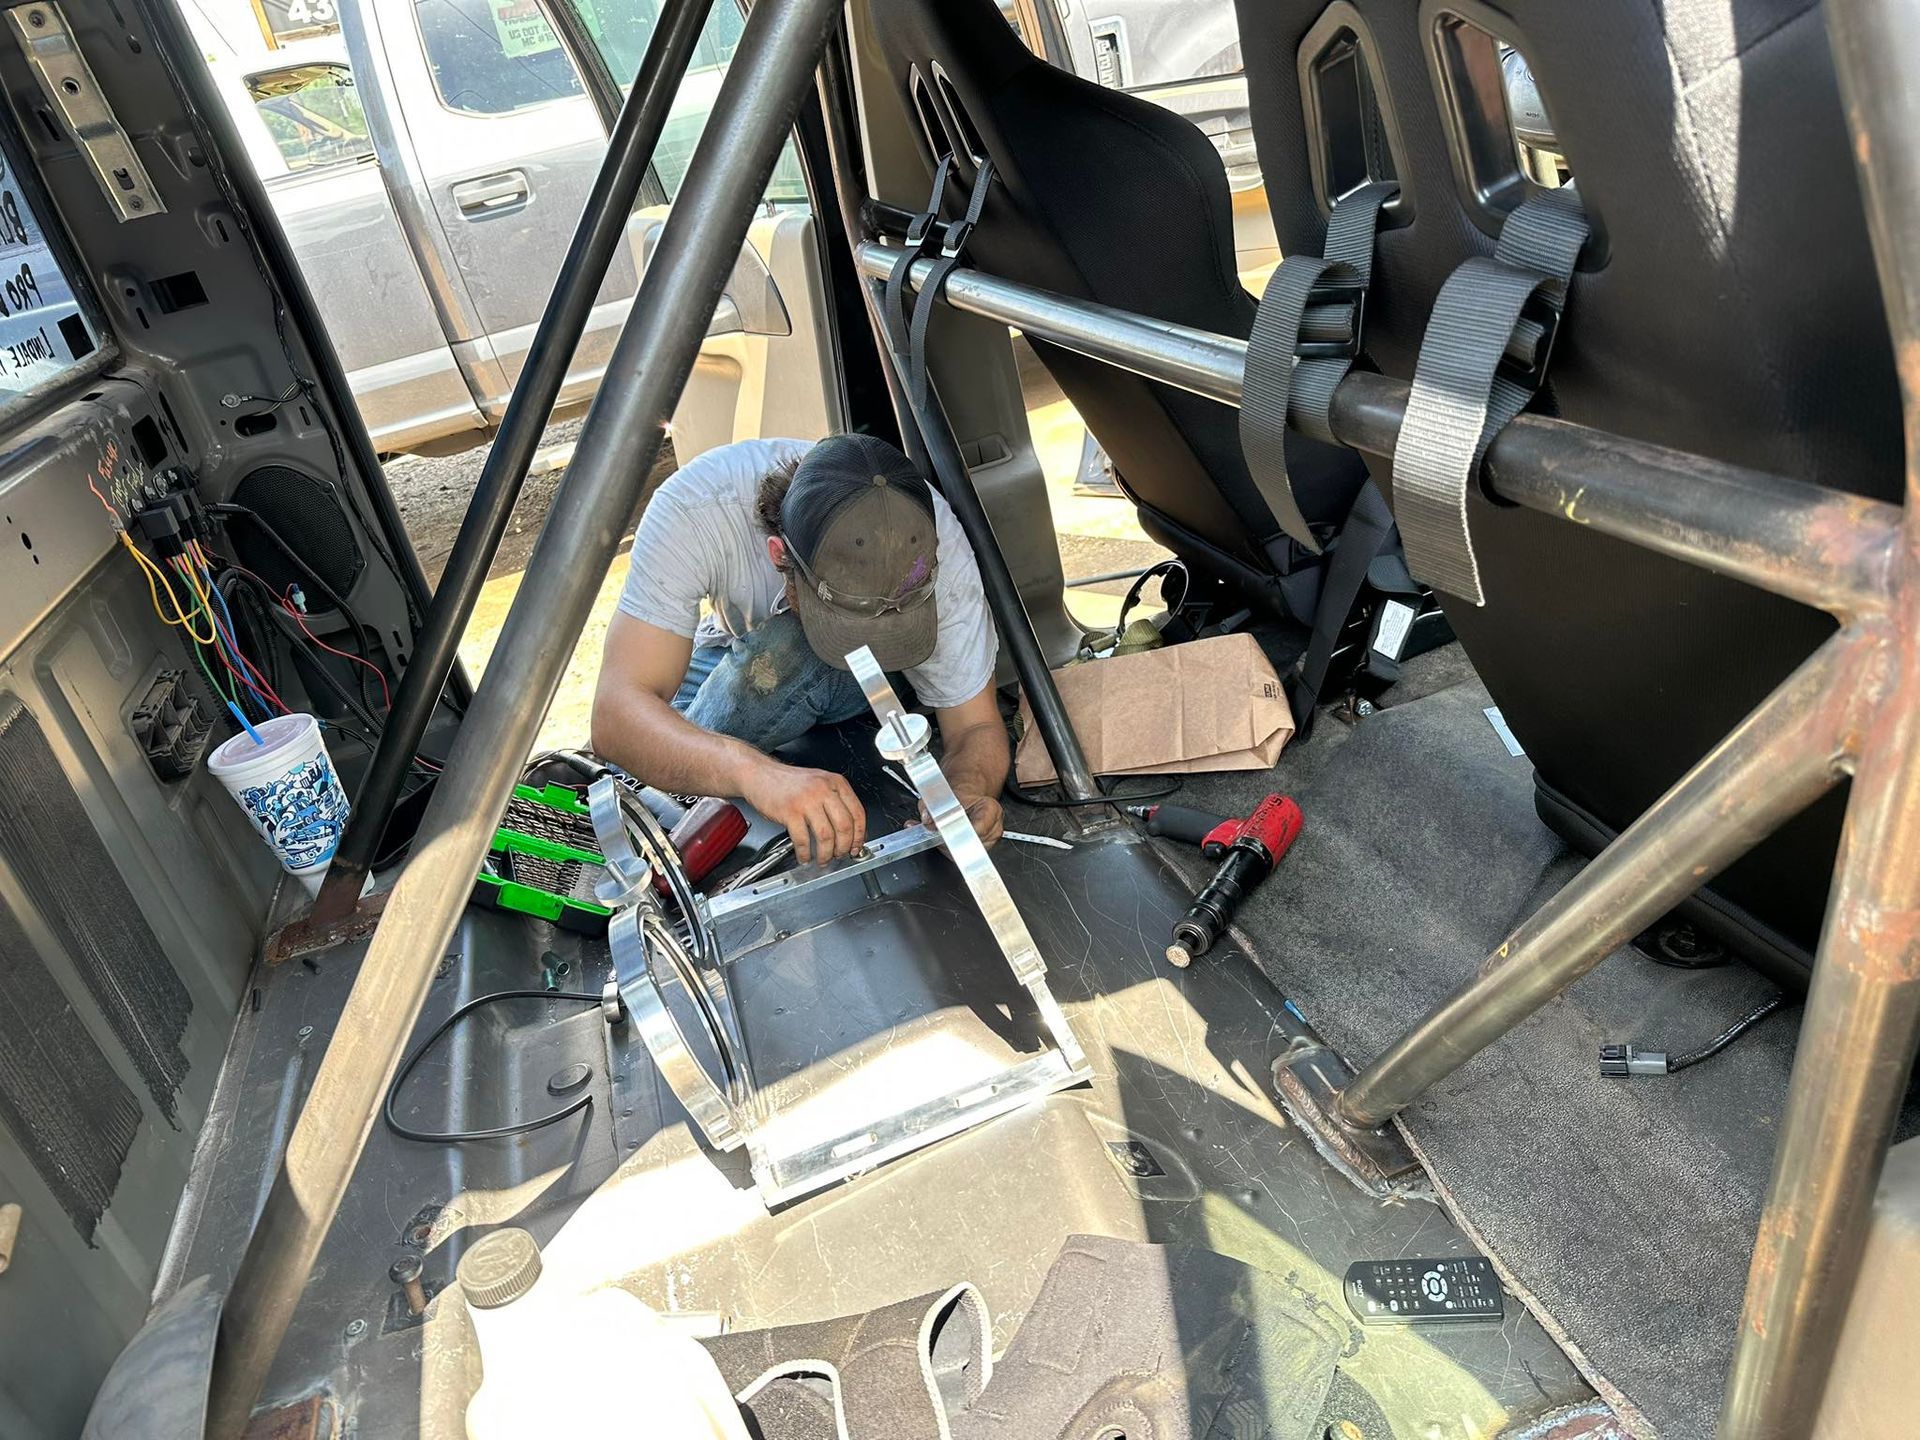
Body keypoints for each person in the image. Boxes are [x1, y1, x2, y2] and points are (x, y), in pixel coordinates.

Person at [592, 433, 1008, 863]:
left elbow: (976, 726)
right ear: (778, 555)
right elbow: (614, 716)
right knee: (638, 753)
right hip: (731, 641)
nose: (874, 634)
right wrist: (757, 774)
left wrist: (964, 791)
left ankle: (657, 805)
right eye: (850, 622)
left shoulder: (935, 545)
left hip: (825, 667)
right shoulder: (697, 510)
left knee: (784, 655)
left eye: (895, 620)